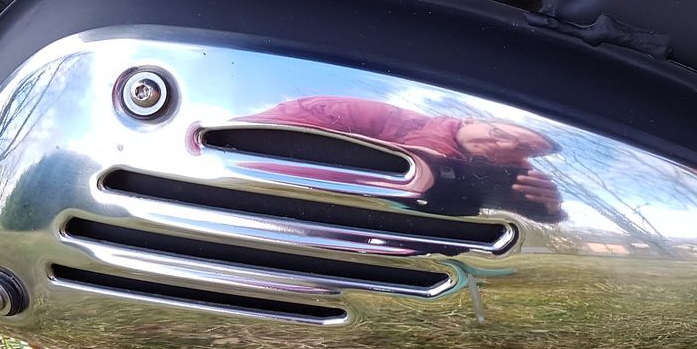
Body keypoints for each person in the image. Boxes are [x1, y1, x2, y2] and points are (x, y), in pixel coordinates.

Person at [240, 95, 564, 220]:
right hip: (271, 169)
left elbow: (530, 211)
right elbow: (421, 163)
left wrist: (549, 209)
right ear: (470, 120)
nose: (504, 146)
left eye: (524, 149)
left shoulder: (509, 171)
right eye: (498, 133)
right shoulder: (383, 117)